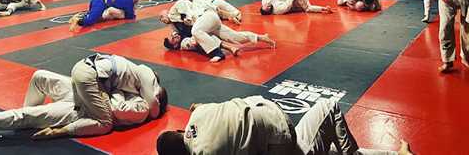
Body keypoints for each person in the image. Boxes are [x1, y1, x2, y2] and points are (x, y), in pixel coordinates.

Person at [0, 62, 164, 139]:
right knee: (40, 76)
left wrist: (111, 94)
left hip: (83, 110)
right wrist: (109, 89)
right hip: (82, 90)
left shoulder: (142, 107)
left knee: (30, 115)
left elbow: (116, 112)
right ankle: (26, 119)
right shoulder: (129, 81)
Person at [156, 96, 413, 155]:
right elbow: (197, 107)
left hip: (278, 134)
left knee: (329, 152)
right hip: (282, 138)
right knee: (329, 106)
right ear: (180, 131)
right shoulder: (197, 116)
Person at [163, 0, 274, 62]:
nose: (162, 20)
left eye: (162, 17)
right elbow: (216, 10)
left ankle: (218, 53)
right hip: (211, 20)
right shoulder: (177, 23)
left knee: (195, 31)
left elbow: (184, 8)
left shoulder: (178, 9)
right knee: (235, 37)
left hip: (207, 17)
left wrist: (186, 17)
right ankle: (261, 37)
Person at [68, 0, 140, 31]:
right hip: (100, 2)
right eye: (136, 1)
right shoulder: (129, 0)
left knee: (96, 16)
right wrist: (133, 13)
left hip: (98, 0)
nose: (135, 3)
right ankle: (78, 20)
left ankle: (79, 15)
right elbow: (130, 15)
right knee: (91, 21)